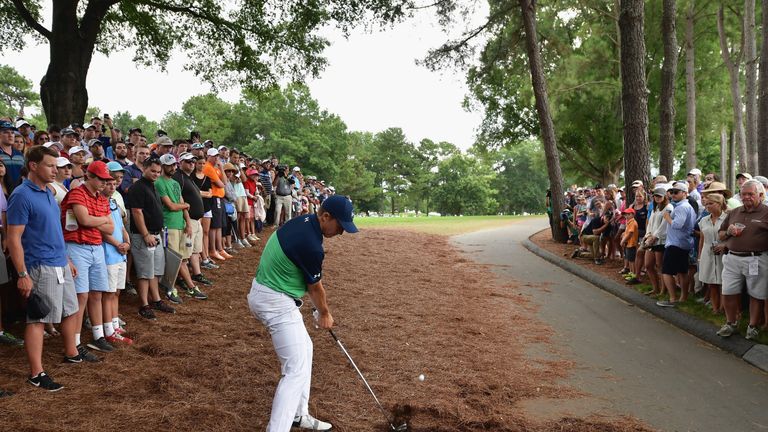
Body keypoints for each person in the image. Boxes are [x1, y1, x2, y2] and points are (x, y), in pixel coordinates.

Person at [247, 195, 359, 432]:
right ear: (326, 216)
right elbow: (315, 288)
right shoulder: (312, 246)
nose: (340, 233)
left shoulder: (302, 222)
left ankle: (299, 415)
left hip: (270, 294)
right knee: (295, 370)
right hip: (274, 302)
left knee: (306, 349)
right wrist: (324, 314)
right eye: (340, 226)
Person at [7, 146, 81, 391]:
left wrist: (66, 258)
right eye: (50, 165)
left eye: (56, 166)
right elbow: (14, 238)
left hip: (59, 261)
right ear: (33, 166)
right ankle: (36, 373)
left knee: (70, 310)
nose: (55, 170)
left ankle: (71, 353)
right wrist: (22, 274)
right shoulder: (21, 195)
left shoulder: (49, 191)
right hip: (39, 265)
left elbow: (54, 229)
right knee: (38, 319)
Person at [60, 161, 115, 356]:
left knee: (96, 293)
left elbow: (111, 228)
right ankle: (74, 343)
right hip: (77, 247)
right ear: (89, 176)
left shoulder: (101, 197)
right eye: (101, 178)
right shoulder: (77, 193)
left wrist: (94, 221)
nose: (104, 182)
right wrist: (100, 220)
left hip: (96, 246)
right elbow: (83, 220)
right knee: (80, 296)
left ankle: (98, 335)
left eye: (106, 179)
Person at [126, 157, 176, 320]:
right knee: (145, 273)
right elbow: (137, 212)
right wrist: (146, 234)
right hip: (143, 236)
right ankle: (144, 305)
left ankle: (156, 300)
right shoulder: (138, 187)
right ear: (144, 169)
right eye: (152, 171)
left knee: (155, 271)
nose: (156, 174)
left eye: (158, 172)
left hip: (156, 234)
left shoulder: (152, 186)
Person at [717, 179, 768, 339]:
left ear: (760, 195)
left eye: (750, 194)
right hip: (732, 258)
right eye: (743, 194)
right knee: (728, 292)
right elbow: (721, 234)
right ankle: (731, 323)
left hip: (756, 259)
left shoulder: (766, 212)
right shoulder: (735, 212)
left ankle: (752, 326)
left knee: (756, 294)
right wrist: (729, 232)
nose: (746, 197)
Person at [155, 154, 207, 302]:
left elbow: (180, 203)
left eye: (174, 165)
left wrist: (188, 223)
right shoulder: (159, 182)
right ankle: (173, 288)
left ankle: (186, 287)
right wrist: (185, 206)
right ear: (163, 166)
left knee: (182, 258)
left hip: (180, 225)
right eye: (170, 165)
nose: (173, 167)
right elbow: (171, 206)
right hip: (168, 225)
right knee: (173, 259)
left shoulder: (175, 183)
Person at [657, 182, 697, 307]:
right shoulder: (686, 206)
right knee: (682, 272)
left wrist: (667, 216)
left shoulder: (682, 207)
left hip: (676, 243)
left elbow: (677, 225)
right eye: (672, 192)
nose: (673, 194)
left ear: (685, 193)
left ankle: (673, 299)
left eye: (676, 192)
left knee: (667, 271)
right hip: (683, 243)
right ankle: (683, 298)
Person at [698, 194, 727, 315]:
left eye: (711, 203)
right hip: (707, 252)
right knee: (711, 282)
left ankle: (723, 308)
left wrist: (724, 245)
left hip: (723, 253)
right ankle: (715, 308)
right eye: (706, 204)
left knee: (723, 282)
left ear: (719, 204)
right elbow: (702, 238)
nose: (707, 206)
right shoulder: (704, 220)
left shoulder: (727, 218)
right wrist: (699, 256)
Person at [643, 185, 672, 297]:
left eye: (660, 196)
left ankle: (663, 290)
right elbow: (650, 223)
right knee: (648, 265)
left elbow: (664, 225)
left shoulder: (668, 207)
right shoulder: (655, 208)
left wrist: (654, 237)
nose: (657, 198)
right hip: (651, 240)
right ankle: (655, 288)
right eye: (655, 196)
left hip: (660, 241)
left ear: (664, 196)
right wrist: (648, 234)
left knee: (660, 266)